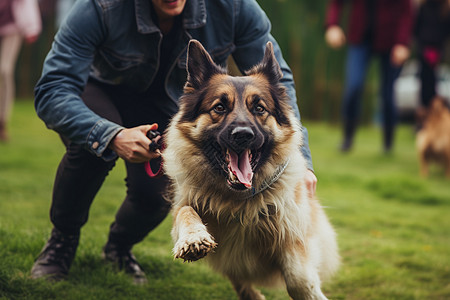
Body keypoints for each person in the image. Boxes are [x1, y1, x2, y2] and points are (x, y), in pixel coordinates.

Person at [30, 0, 318, 284]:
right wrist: (110, 135)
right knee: (90, 150)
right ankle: (61, 242)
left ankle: (118, 248)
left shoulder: (234, 6)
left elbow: (278, 88)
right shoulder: (99, 7)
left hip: (169, 108)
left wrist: (302, 162)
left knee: (158, 195)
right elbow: (53, 89)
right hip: (100, 94)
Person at [325, 0, 413, 152]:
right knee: (353, 86)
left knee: (387, 94)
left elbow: (407, 12)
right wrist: (332, 25)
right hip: (360, 37)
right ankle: (347, 139)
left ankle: (388, 144)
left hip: (390, 41)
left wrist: (402, 43)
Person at [0, 0, 41, 141]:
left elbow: (27, 3)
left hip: (12, 26)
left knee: (4, 71)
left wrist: (32, 27)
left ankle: (2, 121)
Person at [414, 0, 450, 110]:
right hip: (424, 49)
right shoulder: (423, 7)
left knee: (435, 82)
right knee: (425, 82)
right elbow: (416, 28)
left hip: (438, 51)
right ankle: (426, 112)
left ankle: (435, 112)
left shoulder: (446, 9)